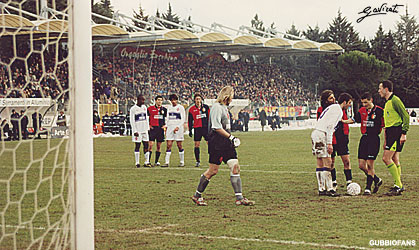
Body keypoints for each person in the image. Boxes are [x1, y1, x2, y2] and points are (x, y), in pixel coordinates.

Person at [191, 86, 255, 206]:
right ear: (227, 95)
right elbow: (216, 127)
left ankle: (239, 198)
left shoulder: (225, 108)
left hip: (226, 141)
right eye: (232, 95)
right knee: (213, 171)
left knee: (235, 166)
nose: (232, 97)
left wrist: (230, 138)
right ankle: (197, 195)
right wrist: (231, 137)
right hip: (217, 142)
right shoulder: (216, 107)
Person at [311, 90, 352, 197]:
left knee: (320, 162)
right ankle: (330, 189)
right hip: (322, 134)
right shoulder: (338, 110)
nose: (349, 106)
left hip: (316, 133)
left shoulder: (331, 108)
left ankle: (321, 189)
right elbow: (330, 127)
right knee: (328, 162)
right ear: (345, 102)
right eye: (349, 103)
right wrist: (329, 143)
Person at [343, 92, 384, 194]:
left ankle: (368, 188)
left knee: (370, 164)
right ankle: (377, 180)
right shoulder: (362, 111)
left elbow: (385, 126)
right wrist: (343, 121)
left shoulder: (379, 111)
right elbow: (354, 119)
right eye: (362, 103)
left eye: (366, 103)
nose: (364, 105)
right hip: (364, 139)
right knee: (361, 165)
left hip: (374, 139)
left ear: (371, 100)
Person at [378, 80, 409, 196]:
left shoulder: (395, 100)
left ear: (386, 89)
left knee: (386, 158)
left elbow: (405, 116)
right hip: (391, 133)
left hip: (396, 132)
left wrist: (404, 133)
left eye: (380, 88)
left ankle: (399, 185)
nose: (378, 91)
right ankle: (398, 184)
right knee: (395, 159)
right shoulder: (387, 102)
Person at [162, 94, 186, 167]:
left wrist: (178, 127)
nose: (173, 101)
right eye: (172, 100)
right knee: (169, 145)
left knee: (179, 145)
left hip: (178, 128)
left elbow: (183, 119)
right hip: (170, 128)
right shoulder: (169, 108)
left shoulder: (180, 108)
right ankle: (166, 162)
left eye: (174, 100)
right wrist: (166, 125)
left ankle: (182, 162)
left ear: (177, 100)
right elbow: (168, 118)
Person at [188, 94, 210, 167]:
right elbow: (190, 120)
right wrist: (190, 130)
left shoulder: (206, 107)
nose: (198, 100)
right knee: (197, 145)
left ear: (201, 100)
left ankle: (212, 159)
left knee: (209, 144)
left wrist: (210, 127)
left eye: (199, 99)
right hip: (197, 129)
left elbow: (210, 117)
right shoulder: (191, 109)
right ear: (194, 100)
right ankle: (197, 161)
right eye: (196, 99)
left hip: (205, 128)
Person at [130, 95, 150, 168]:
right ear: (138, 100)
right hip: (138, 131)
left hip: (144, 130)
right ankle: (137, 162)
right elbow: (132, 120)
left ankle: (146, 161)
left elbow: (146, 118)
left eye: (144, 100)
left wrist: (147, 128)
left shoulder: (144, 107)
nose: (143, 101)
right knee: (137, 146)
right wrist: (135, 130)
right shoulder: (133, 109)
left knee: (146, 145)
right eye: (142, 100)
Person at [147, 95, 167, 167]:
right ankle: (148, 161)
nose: (159, 101)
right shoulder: (150, 109)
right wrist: (148, 125)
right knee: (150, 145)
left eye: (161, 100)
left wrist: (165, 125)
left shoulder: (164, 109)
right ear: (155, 101)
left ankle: (156, 161)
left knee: (159, 146)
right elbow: (146, 118)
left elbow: (167, 118)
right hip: (153, 129)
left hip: (160, 129)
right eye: (158, 100)